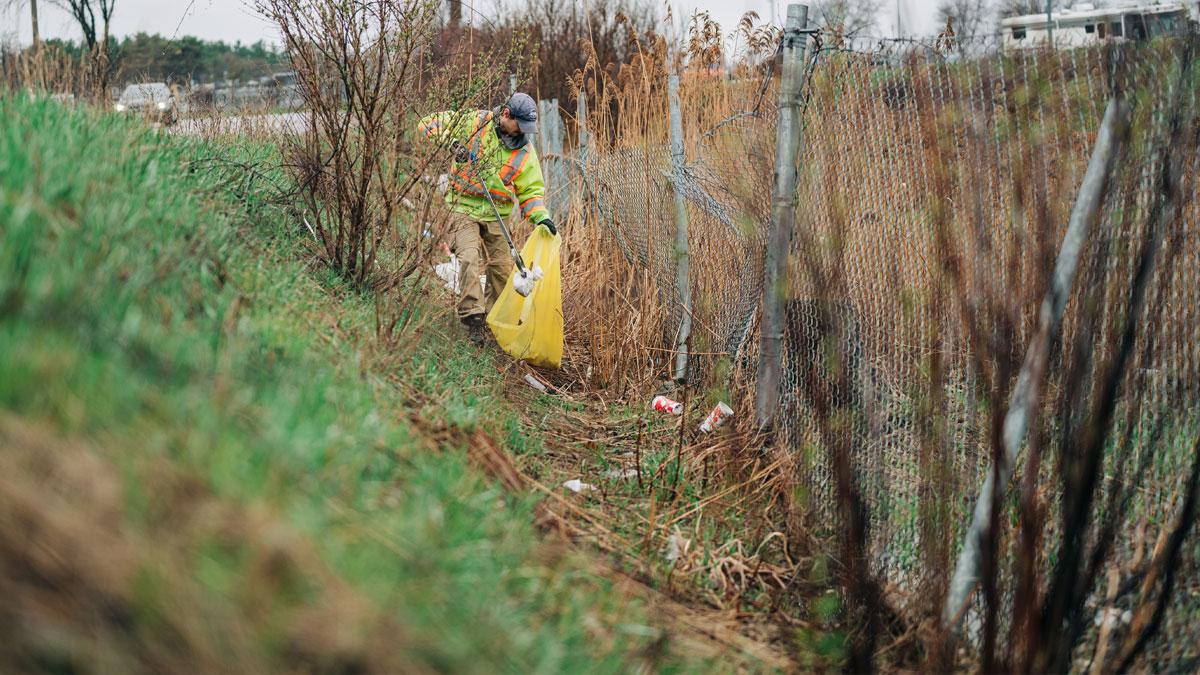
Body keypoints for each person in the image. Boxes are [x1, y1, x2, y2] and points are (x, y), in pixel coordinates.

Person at [418, 93, 558, 345]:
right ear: (506, 115)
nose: (523, 133)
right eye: (520, 125)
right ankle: (474, 320)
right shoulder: (473, 123)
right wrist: (454, 145)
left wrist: (541, 217)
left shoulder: (525, 151)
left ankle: (493, 323)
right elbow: (427, 123)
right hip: (462, 206)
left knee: (502, 269)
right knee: (469, 259)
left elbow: (531, 191)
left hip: (497, 214)